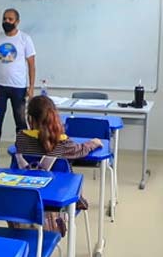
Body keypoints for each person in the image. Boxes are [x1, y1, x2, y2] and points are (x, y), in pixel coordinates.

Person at [15, 95, 102, 234]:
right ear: (54, 116)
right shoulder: (61, 142)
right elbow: (80, 151)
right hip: (56, 200)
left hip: (25, 203)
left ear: (29, 118)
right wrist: (94, 143)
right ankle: (58, 217)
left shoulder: (21, 138)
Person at [0, 8, 36, 158]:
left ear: (17, 22)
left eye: (10, 19)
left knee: (20, 120)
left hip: (19, 87)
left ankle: (23, 149)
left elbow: (32, 65)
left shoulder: (25, 39)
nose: (6, 21)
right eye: (4, 18)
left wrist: (31, 87)